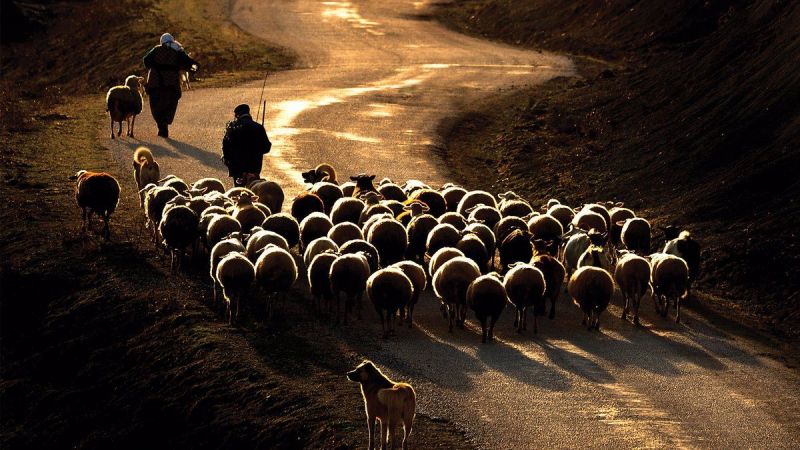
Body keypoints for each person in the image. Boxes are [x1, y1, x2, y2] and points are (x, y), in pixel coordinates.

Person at [143, 33, 198, 138]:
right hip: (171, 83)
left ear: (161, 42)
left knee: (155, 105)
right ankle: (165, 123)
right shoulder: (178, 51)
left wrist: (155, 66)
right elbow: (188, 63)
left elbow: (146, 61)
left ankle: (161, 125)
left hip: (155, 83)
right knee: (170, 104)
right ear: (172, 41)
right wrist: (192, 67)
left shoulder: (155, 50)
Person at [221, 104, 272, 186]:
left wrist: (228, 161)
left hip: (237, 168)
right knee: (253, 189)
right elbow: (266, 148)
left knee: (238, 190)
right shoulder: (258, 127)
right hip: (254, 167)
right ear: (248, 113)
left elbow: (226, 147)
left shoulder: (232, 127)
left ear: (237, 115)